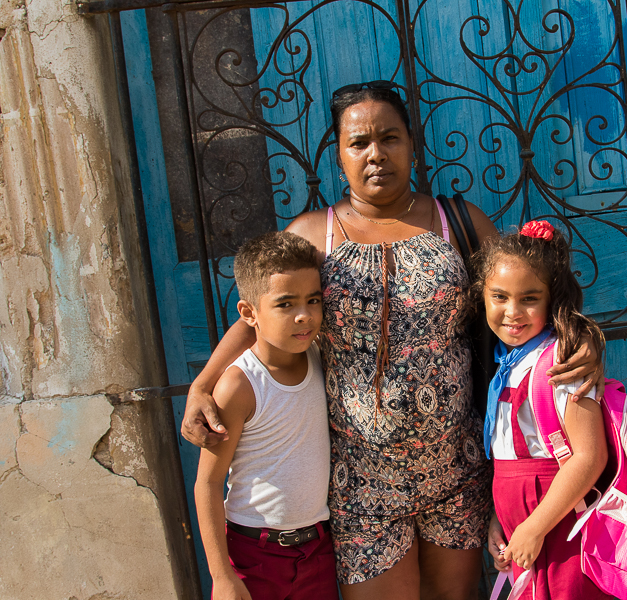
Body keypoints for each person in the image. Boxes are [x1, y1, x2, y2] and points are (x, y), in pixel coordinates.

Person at [182, 81, 604, 600]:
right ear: (339, 155)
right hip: (363, 481)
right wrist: (204, 383)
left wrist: (580, 338)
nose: (376, 153)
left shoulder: (458, 222)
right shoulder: (317, 234)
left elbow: (523, 290)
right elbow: (260, 318)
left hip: (456, 469)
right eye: (358, 142)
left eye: (390, 138)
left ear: (412, 146)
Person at [194, 231, 338, 600]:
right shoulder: (239, 386)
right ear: (249, 313)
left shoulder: (320, 356)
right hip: (255, 553)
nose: (304, 315)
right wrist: (222, 576)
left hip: (317, 550)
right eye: (285, 304)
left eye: (313, 300)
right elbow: (207, 484)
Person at [474, 220, 612, 600]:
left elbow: (590, 456)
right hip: (525, 527)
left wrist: (534, 527)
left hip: (560, 526)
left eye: (529, 299)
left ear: (552, 299)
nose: (512, 312)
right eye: (499, 297)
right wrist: (498, 520)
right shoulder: (509, 362)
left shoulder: (562, 364)